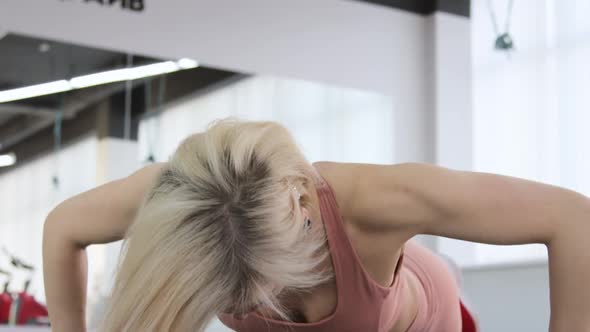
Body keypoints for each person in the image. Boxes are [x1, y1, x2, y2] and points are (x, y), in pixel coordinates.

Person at [42, 119, 590, 332]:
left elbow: (571, 217)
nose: (260, 305)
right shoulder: (179, 199)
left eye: (269, 283)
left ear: (305, 214)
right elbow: (63, 227)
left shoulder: (376, 200)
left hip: (424, 314)